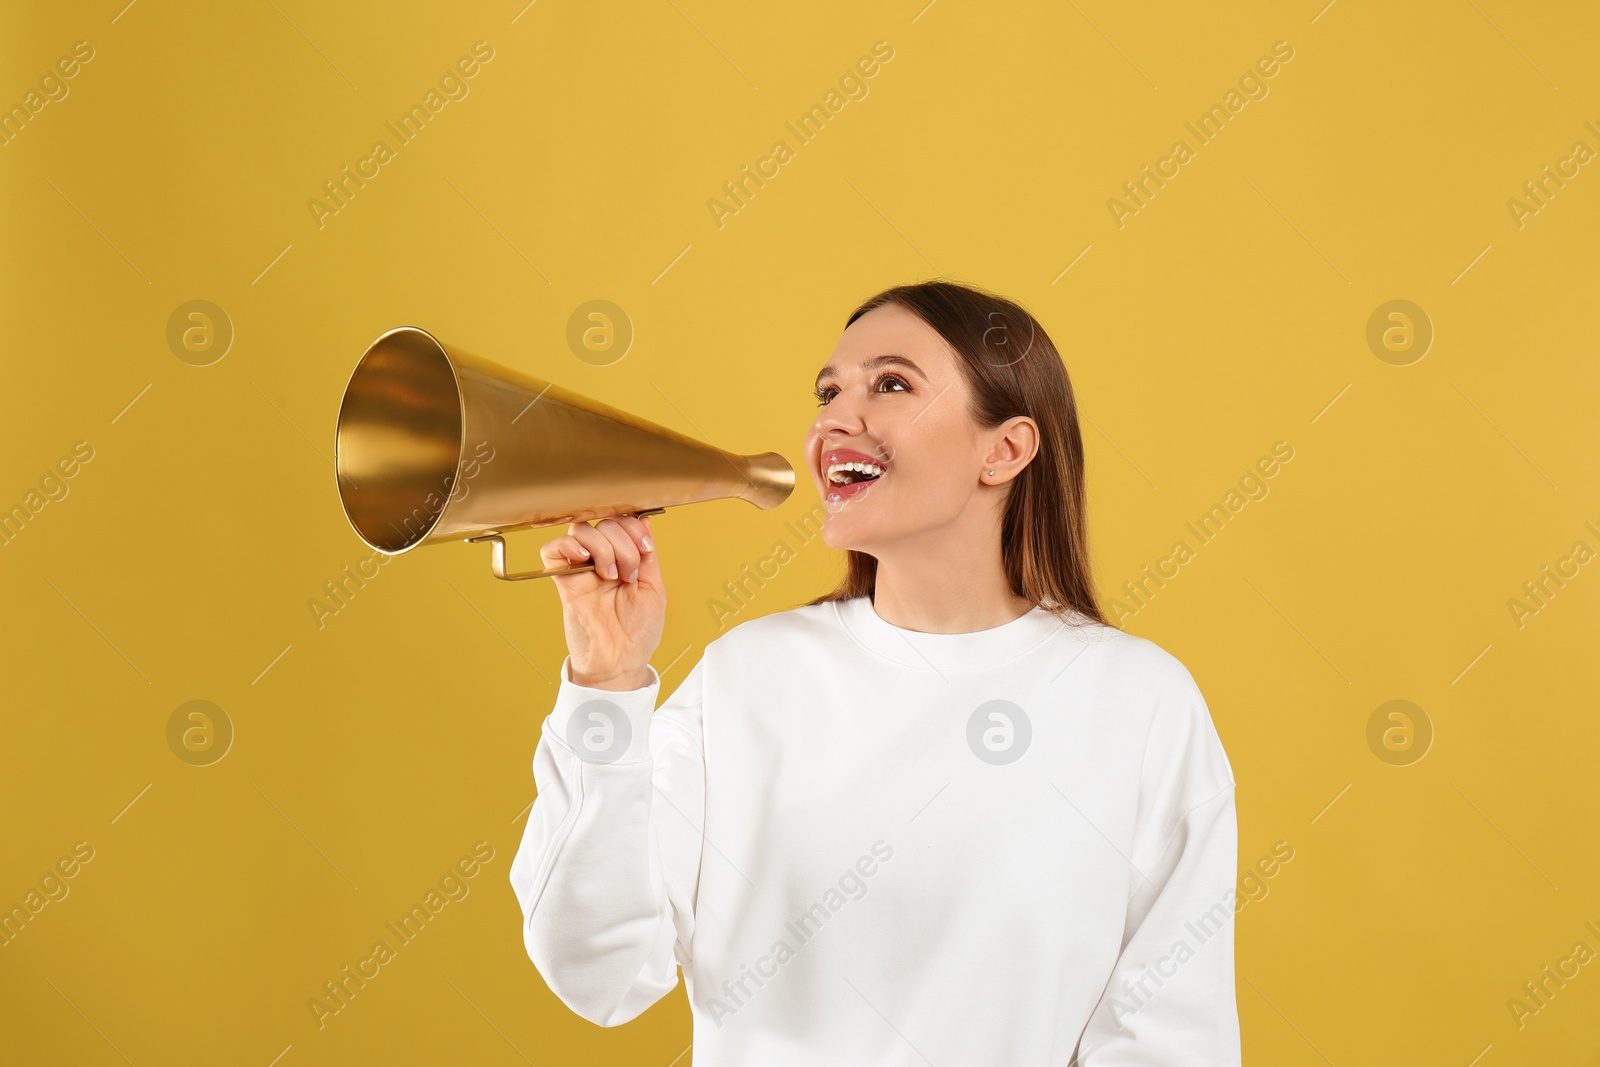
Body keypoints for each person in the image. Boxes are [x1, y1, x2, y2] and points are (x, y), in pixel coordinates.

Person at [508, 280, 1240, 1065]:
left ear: (1007, 448)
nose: (833, 419)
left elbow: (1169, 1039)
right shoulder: (747, 677)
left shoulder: (1137, 701)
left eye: (890, 384)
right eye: (828, 391)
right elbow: (599, 969)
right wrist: (606, 680)